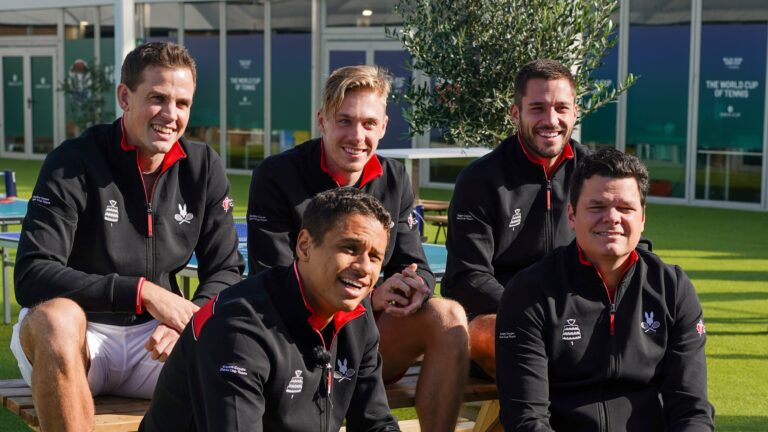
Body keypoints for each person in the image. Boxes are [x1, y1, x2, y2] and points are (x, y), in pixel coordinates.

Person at [10, 42, 244, 431]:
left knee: (239, 344)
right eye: (157, 98)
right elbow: (32, 275)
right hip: (79, 340)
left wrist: (185, 319)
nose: (171, 115)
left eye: (182, 103)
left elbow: (227, 271)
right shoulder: (74, 160)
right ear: (124, 97)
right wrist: (143, 292)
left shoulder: (203, 166)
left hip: (156, 342)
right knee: (56, 317)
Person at [247, 65, 469, 431]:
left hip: (370, 339)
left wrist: (413, 288)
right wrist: (368, 296)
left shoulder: (395, 177)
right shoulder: (277, 175)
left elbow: (418, 265)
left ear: (383, 126)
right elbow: (272, 281)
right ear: (322, 121)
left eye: (368, 124)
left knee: (448, 316)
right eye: (344, 121)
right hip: (296, 340)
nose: (357, 135)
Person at [141, 188, 401, 431]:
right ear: (304, 246)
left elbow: (375, 421)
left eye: (375, 256)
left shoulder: (356, 316)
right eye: (349, 248)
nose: (365, 268)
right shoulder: (239, 329)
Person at [496, 148, 715, 431]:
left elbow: (692, 410)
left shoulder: (672, 288)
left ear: (642, 217)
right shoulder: (529, 293)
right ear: (572, 216)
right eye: (597, 207)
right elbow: (526, 419)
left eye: (625, 208)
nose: (612, 218)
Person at [442, 59, 589, 378]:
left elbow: (630, 249)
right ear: (514, 113)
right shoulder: (480, 180)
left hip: (581, 318)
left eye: (561, 108)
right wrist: (536, 309)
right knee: (488, 332)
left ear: (575, 112)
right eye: (537, 108)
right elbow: (465, 277)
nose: (551, 120)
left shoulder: (595, 173)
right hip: (507, 320)